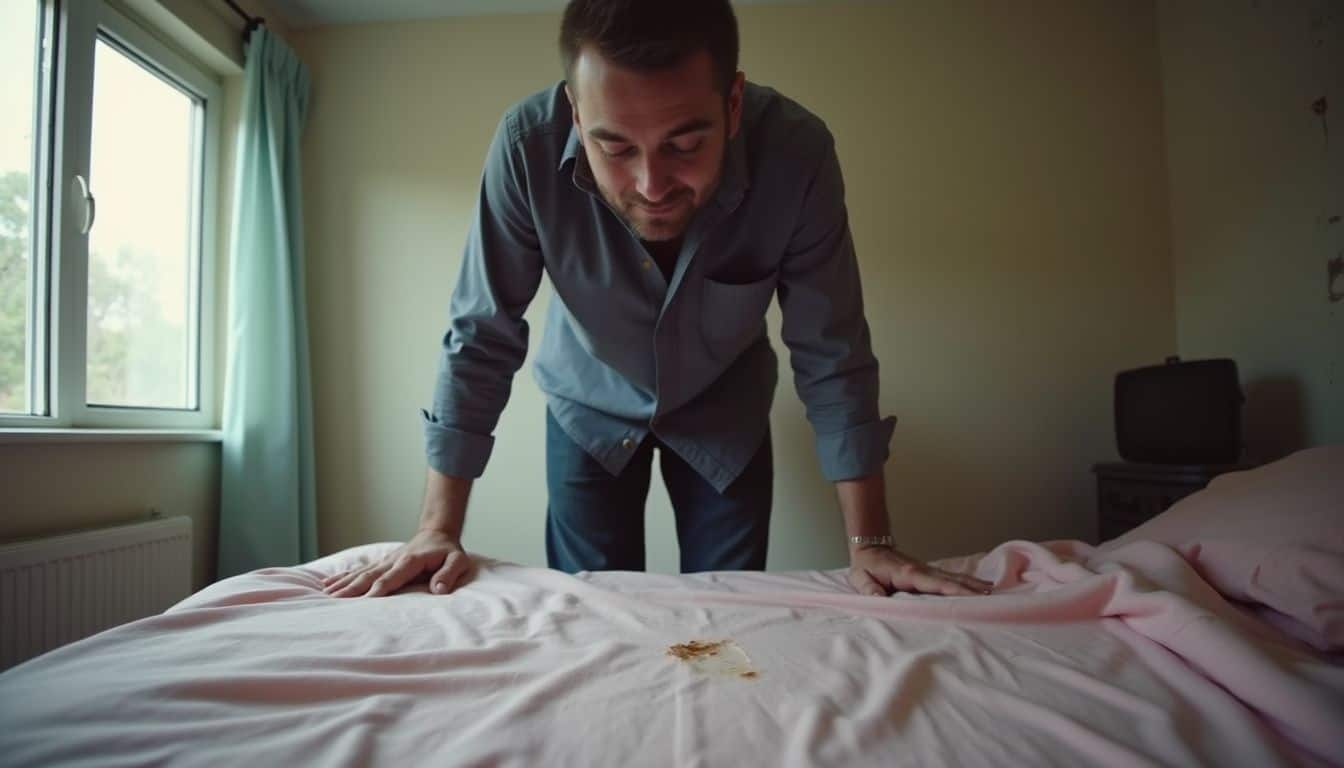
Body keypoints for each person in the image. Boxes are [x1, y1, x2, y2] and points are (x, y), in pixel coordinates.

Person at [324, 0, 991, 600]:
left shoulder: (798, 154)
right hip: (585, 404)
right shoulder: (524, 148)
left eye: (685, 144)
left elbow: (831, 347)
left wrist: (870, 543)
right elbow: (482, 334)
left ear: (733, 105)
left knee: (730, 616)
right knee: (594, 613)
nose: (650, 184)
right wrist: (437, 529)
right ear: (576, 113)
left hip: (725, 407)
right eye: (614, 146)